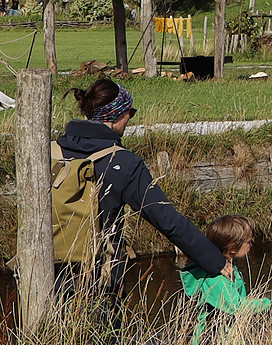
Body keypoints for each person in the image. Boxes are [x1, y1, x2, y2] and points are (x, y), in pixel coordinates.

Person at [55, 79, 227, 328]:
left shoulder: (51, 151)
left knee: (51, 337)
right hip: (98, 276)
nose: (130, 119)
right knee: (101, 341)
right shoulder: (123, 162)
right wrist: (215, 261)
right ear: (116, 116)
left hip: (46, 269)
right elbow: (168, 221)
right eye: (130, 112)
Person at [180, 215, 272, 345]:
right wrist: (267, 304)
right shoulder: (216, 279)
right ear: (232, 248)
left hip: (225, 339)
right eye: (249, 242)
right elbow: (236, 308)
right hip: (211, 342)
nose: (251, 245)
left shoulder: (228, 267)